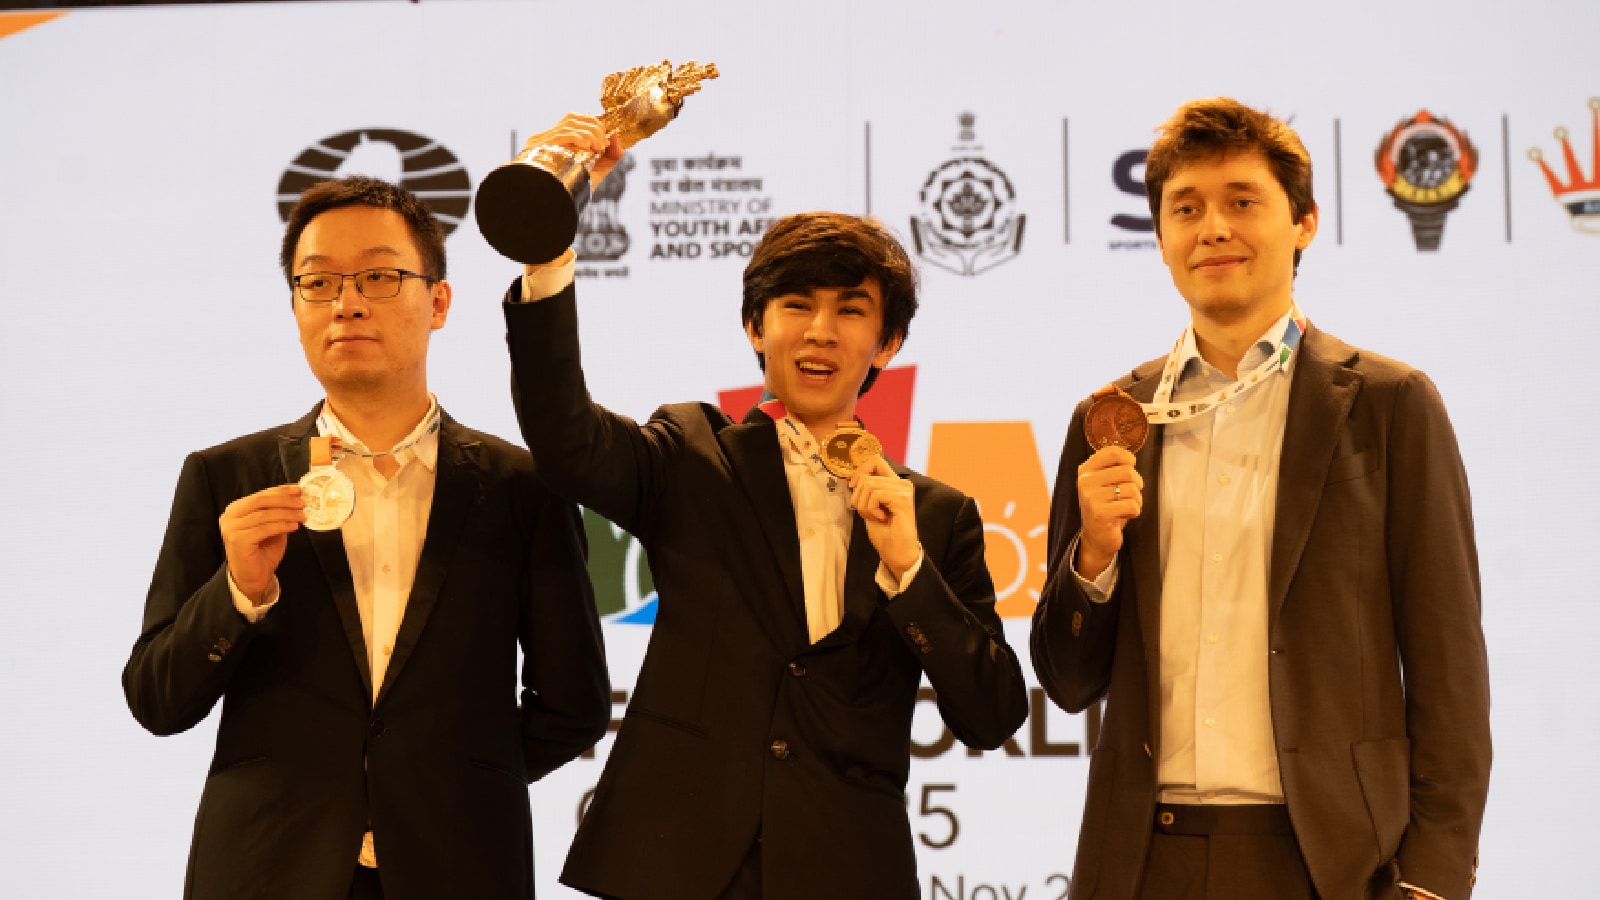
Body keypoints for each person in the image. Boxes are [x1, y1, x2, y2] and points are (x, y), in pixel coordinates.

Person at [501, 115, 1029, 900]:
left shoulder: (937, 515)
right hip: (675, 864)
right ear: (756, 327)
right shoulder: (691, 453)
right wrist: (546, 249)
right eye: (795, 305)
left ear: (887, 344)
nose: (820, 332)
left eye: (851, 310)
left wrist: (910, 571)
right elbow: (564, 436)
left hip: (847, 869)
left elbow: (993, 715)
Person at [1031, 98, 1490, 900]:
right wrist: (1094, 556)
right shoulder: (1110, 420)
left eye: (1242, 201)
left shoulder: (1389, 404)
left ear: (1304, 222)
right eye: (1186, 208)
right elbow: (1067, 682)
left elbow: (1448, 665)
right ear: (1161, 238)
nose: (1213, 228)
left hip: (1331, 862)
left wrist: (1433, 879)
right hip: (1140, 861)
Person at [123, 176, 610, 900]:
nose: (346, 303)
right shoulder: (226, 477)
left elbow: (575, 705)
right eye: (318, 282)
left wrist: (452, 777)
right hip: (266, 870)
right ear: (295, 308)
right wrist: (238, 593)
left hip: (459, 867)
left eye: (379, 277)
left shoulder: (523, 487)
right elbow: (156, 698)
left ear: (438, 302)